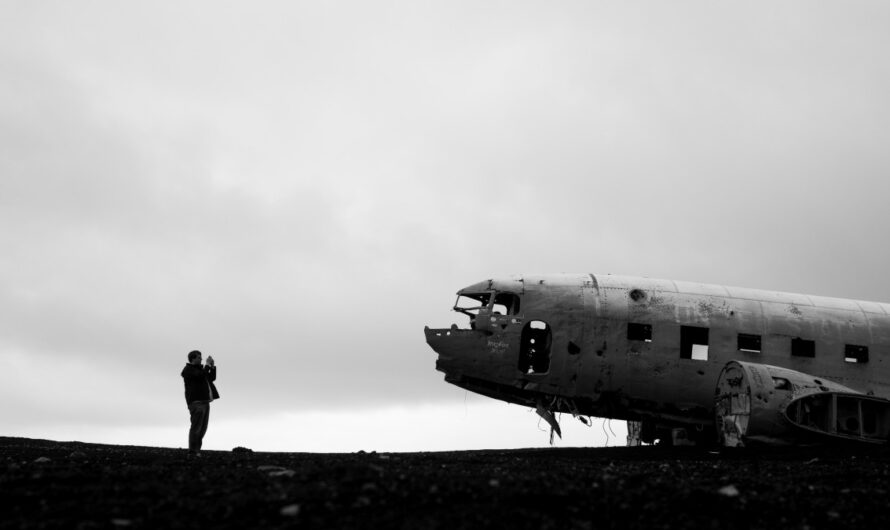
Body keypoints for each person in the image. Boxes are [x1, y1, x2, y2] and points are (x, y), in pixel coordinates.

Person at [181, 350, 220, 457]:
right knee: (196, 427)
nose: (201, 359)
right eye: (199, 357)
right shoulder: (188, 370)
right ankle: (192, 451)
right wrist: (207, 365)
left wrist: (212, 366)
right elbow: (199, 376)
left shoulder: (200, 370)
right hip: (196, 402)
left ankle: (196, 450)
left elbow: (211, 378)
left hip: (205, 401)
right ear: (193, 358)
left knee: (202, 428)